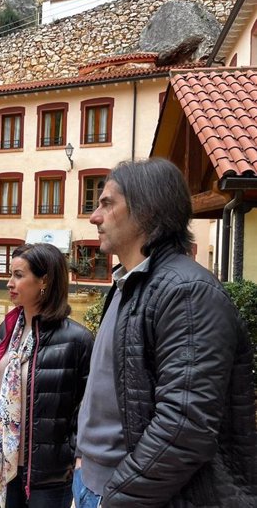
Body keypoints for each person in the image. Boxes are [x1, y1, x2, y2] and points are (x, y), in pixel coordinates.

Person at [75, 158, 257, 507]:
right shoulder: (130, 284)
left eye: (107, 204)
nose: (94, 217)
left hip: (138, 497)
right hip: (95, 484)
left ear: (146, 212)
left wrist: (116, 497)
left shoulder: (187, 293)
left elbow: (185, 428)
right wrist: (82, 459)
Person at [0, 243, 94, 508]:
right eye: (10, 274)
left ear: (44, 281)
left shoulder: (77, 340)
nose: (9, 283)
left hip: (51, 474)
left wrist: (76, 456)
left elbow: (89, 409)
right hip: (8, 464)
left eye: (18, 275)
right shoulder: (8, 330)